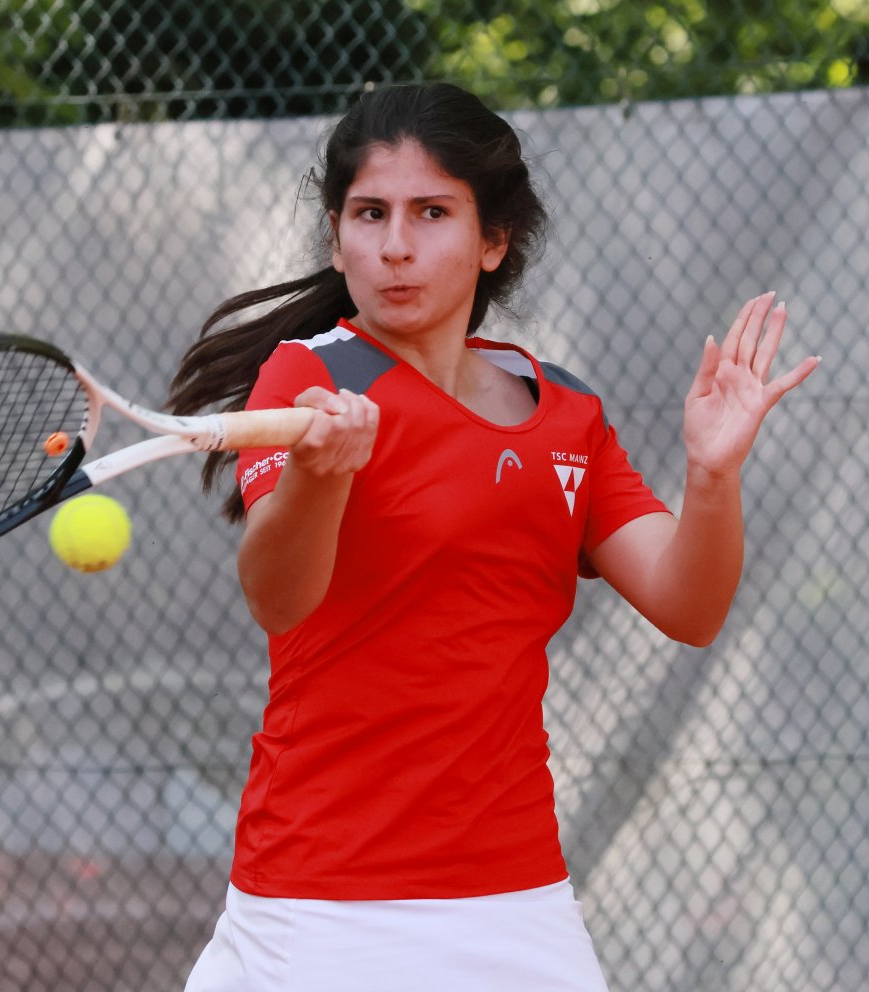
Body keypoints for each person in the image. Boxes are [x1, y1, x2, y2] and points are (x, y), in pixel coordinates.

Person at [166, 82, 818, 992]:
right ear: (336, 235)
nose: (396, 244)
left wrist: (712, 474)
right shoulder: (309, 375)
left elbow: (691, 606)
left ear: (493, 240)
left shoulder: (567, 412)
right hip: (323, 903)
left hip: (518, 900)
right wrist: (322, 474)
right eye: (370, 213)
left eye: (433, 212)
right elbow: (278, 598)